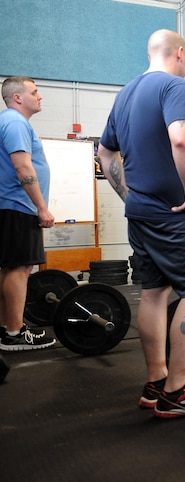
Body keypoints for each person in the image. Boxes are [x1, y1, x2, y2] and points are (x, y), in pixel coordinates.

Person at [97, 29, 185, 417]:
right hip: (176, 214)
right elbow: (182, 140)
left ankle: (156, 382)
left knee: (154, 292)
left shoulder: (125, 94)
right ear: (180, 53)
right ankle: (177, 391)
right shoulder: (173, 87)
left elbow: (104, 153)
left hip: (140, 212)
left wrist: (130, 195)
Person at [0, 76, 56, 351]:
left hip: (13, 206)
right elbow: (23, 168)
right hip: (19, 206)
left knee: (11, 267)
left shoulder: (10, 122)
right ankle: (14, 332)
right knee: (20, 268)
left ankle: (6, 327)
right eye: (35, 92)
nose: (40, 96)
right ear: (18, 97)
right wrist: (41, 207)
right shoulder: (15, 122)